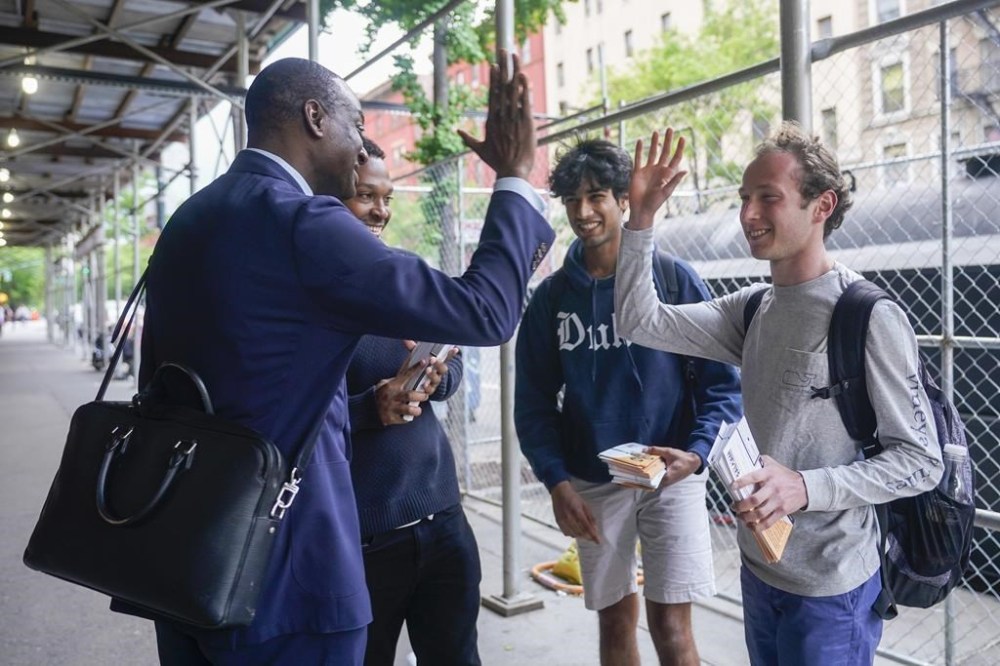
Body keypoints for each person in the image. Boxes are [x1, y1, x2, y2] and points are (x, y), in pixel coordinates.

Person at [134, 53, 553, 665]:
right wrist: (515, 175)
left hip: (186, 550)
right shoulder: (302, 222)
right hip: (283, 575)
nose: (362, 151)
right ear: (314, 118)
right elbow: (484, 311)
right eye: (357, 127)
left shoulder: (193, 217)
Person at [614, 124, 944, 665]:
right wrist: (642, 219)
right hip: (761, 566)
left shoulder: (866, 315)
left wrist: (804, 487)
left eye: (769, 197)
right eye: (744, 198)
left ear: (822, 206)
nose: (748, 214)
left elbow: (920, 463)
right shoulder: (752, 309)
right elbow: (638, 319)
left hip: (832, 585)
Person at [514, 139, 742, 666]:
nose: (583, 211)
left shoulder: (672, 278)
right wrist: (557, 482)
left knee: (671, 624)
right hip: (594, 478)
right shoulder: (552, 300)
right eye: (572, 199)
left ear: (624, 201)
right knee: (615, 617)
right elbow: (533, 404)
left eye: (597, 196)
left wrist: (697, 453)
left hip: (671, 473)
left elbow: (720, 385)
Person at [343, 137, 481, 666]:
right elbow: (292, 410)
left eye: (387, 196)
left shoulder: (406, 271)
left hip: (441, 517)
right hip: (362, 538)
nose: (380, 210)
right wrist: (368, 408)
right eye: (364, 196)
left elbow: (455, 369)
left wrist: (436, 376)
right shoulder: (310, 293)